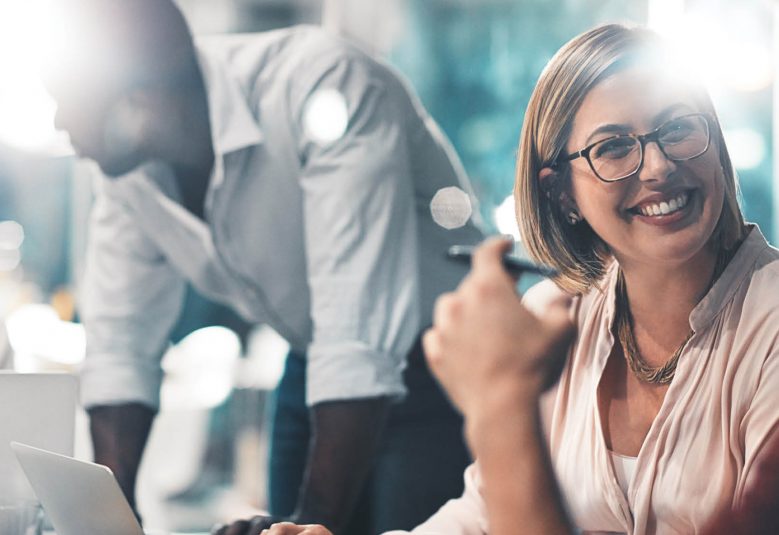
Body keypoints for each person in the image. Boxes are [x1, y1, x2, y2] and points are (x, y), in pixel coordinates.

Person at [266, 23, 779, 535]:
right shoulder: (552, 318)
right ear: (561, 195)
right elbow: (482, 516)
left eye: (678, 128)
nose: (659, 165)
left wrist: (500, 400)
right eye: (614, 147)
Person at [45, 1, 484, 533]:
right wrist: (110, 521)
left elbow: (356, 341)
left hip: (441, 368)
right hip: (313, 364)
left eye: (69, 101)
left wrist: (309, 527)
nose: (60, 122)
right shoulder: (130, 173)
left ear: (144, 97)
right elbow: (120, 344)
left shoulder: (321, 85)